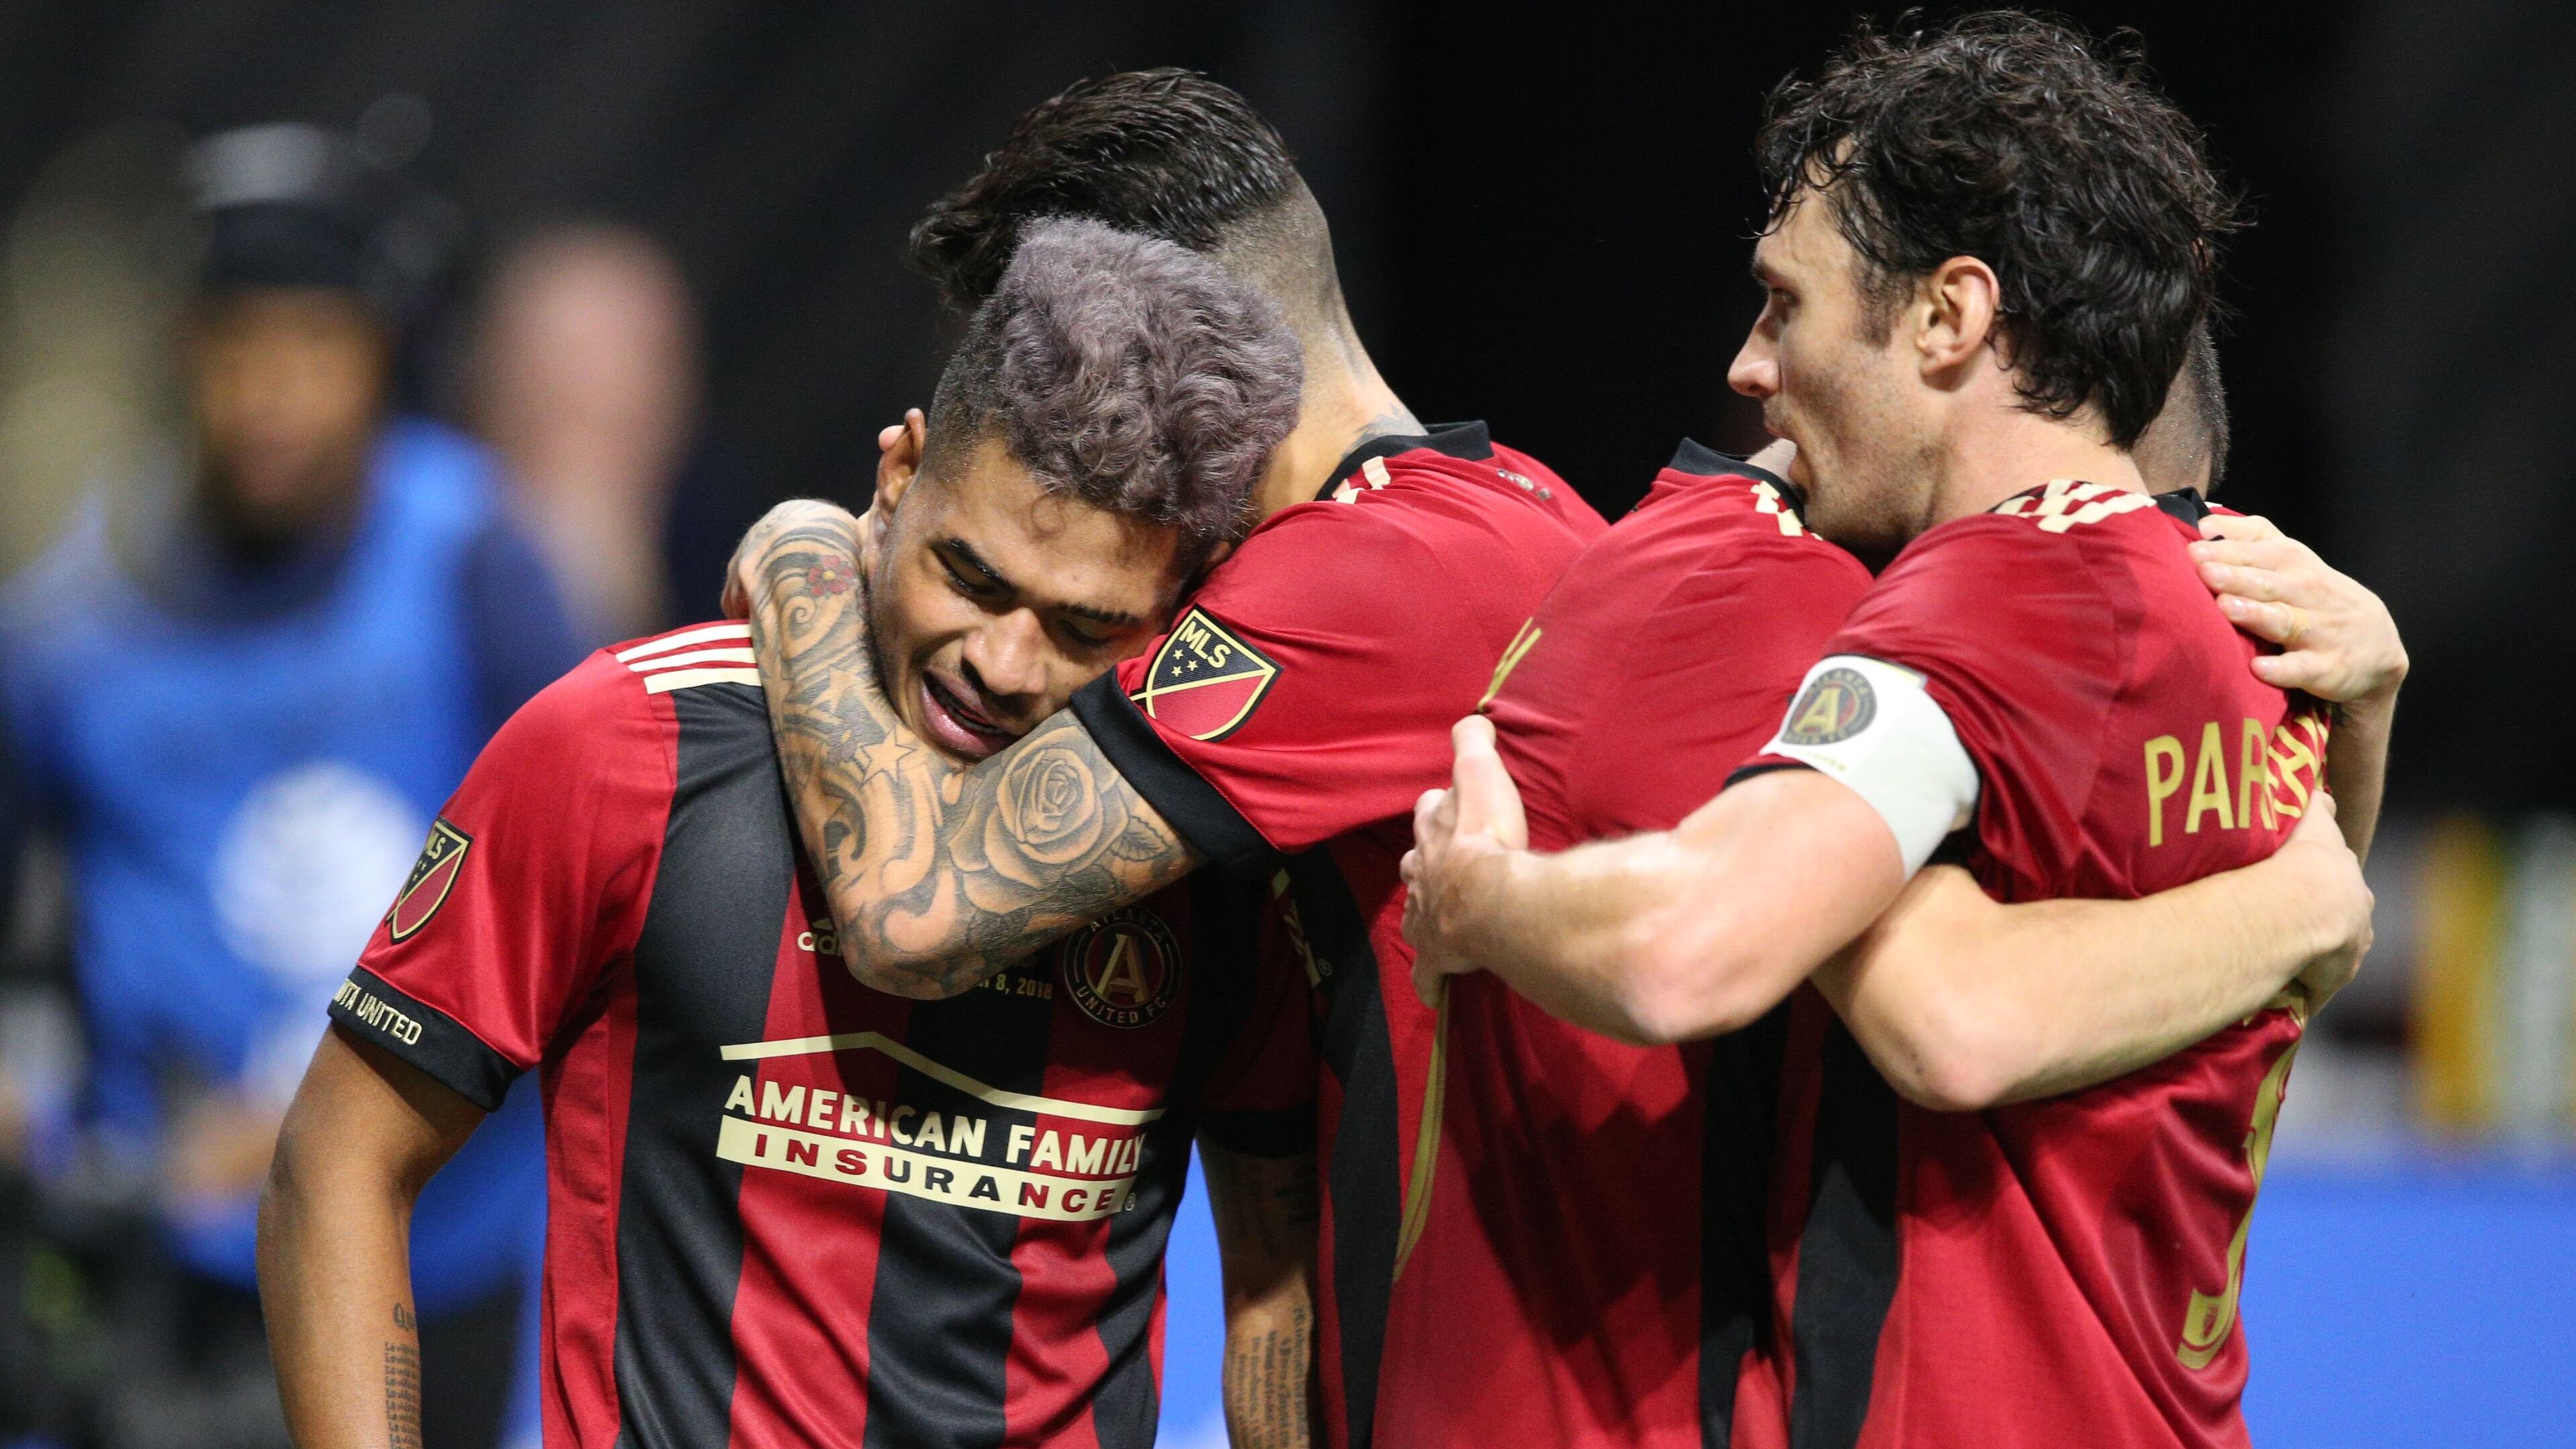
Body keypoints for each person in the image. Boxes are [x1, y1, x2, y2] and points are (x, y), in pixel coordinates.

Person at [1403, 15, 2403, 1446]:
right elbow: (2266, 977)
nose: (1752, 368)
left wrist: (1481, 898)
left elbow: (1730, 961)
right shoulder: (2262, 623)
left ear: (1949, 318)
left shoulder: (1998, 595)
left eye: (1786, 305)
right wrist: (2318, 890)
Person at [261, 219, 1323, 1449]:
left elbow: (1273, 1289)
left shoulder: (1218, 841)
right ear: (896, 478)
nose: (998, 662)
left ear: (1182, 611)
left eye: (1086, 629)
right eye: (970, 578)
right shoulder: (623, 747)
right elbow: (334, 1167)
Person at [728, 70, 1608, 1449]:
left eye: (1064, 359)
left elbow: (914, 906)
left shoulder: (1367, 578)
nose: (1050, 434)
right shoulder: (1504, 506)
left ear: (1169, 327)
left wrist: (793, 549)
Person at [0, 122, 573, 1449]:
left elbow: (592, 879)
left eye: (317, 348)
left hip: (450, 1256)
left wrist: (361, 1111)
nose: (272, 394)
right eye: (236, 347)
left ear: (384, 364)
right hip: (179, 1291)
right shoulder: (67, 627)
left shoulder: (472, 562)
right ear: (184, 360)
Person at [471, 223, 709, 643]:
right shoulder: (417, 546)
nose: (609, 384)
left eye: (643, 353)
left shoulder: (722, 558)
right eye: (574, 353)